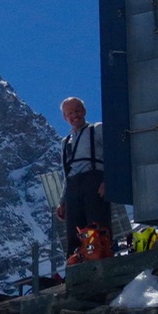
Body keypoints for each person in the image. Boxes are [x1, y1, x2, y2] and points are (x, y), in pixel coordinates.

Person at [55, 96, 110, 264]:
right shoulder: (65, 142)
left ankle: (101, 264)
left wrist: (109, 180)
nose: (75, 115)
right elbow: (67, 173)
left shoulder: (97, 129)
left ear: (84, 111)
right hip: (73, 188)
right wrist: (63, 200)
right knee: (74, 232)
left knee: (96, 227)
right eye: (70, 113)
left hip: (94, 182)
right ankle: (75, 268)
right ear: (65, 117)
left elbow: (114, 152)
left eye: (77, 110)